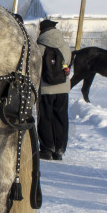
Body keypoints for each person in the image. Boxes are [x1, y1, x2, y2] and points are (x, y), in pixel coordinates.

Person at [37, 19, 71, 161]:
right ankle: (60, 149)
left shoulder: (40, 46)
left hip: (46, 89)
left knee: (45, 118)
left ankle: (47, 149)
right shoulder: (64, 45)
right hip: (63, 88)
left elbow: (36, 65)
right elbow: (68, 62)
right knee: (61, 118)